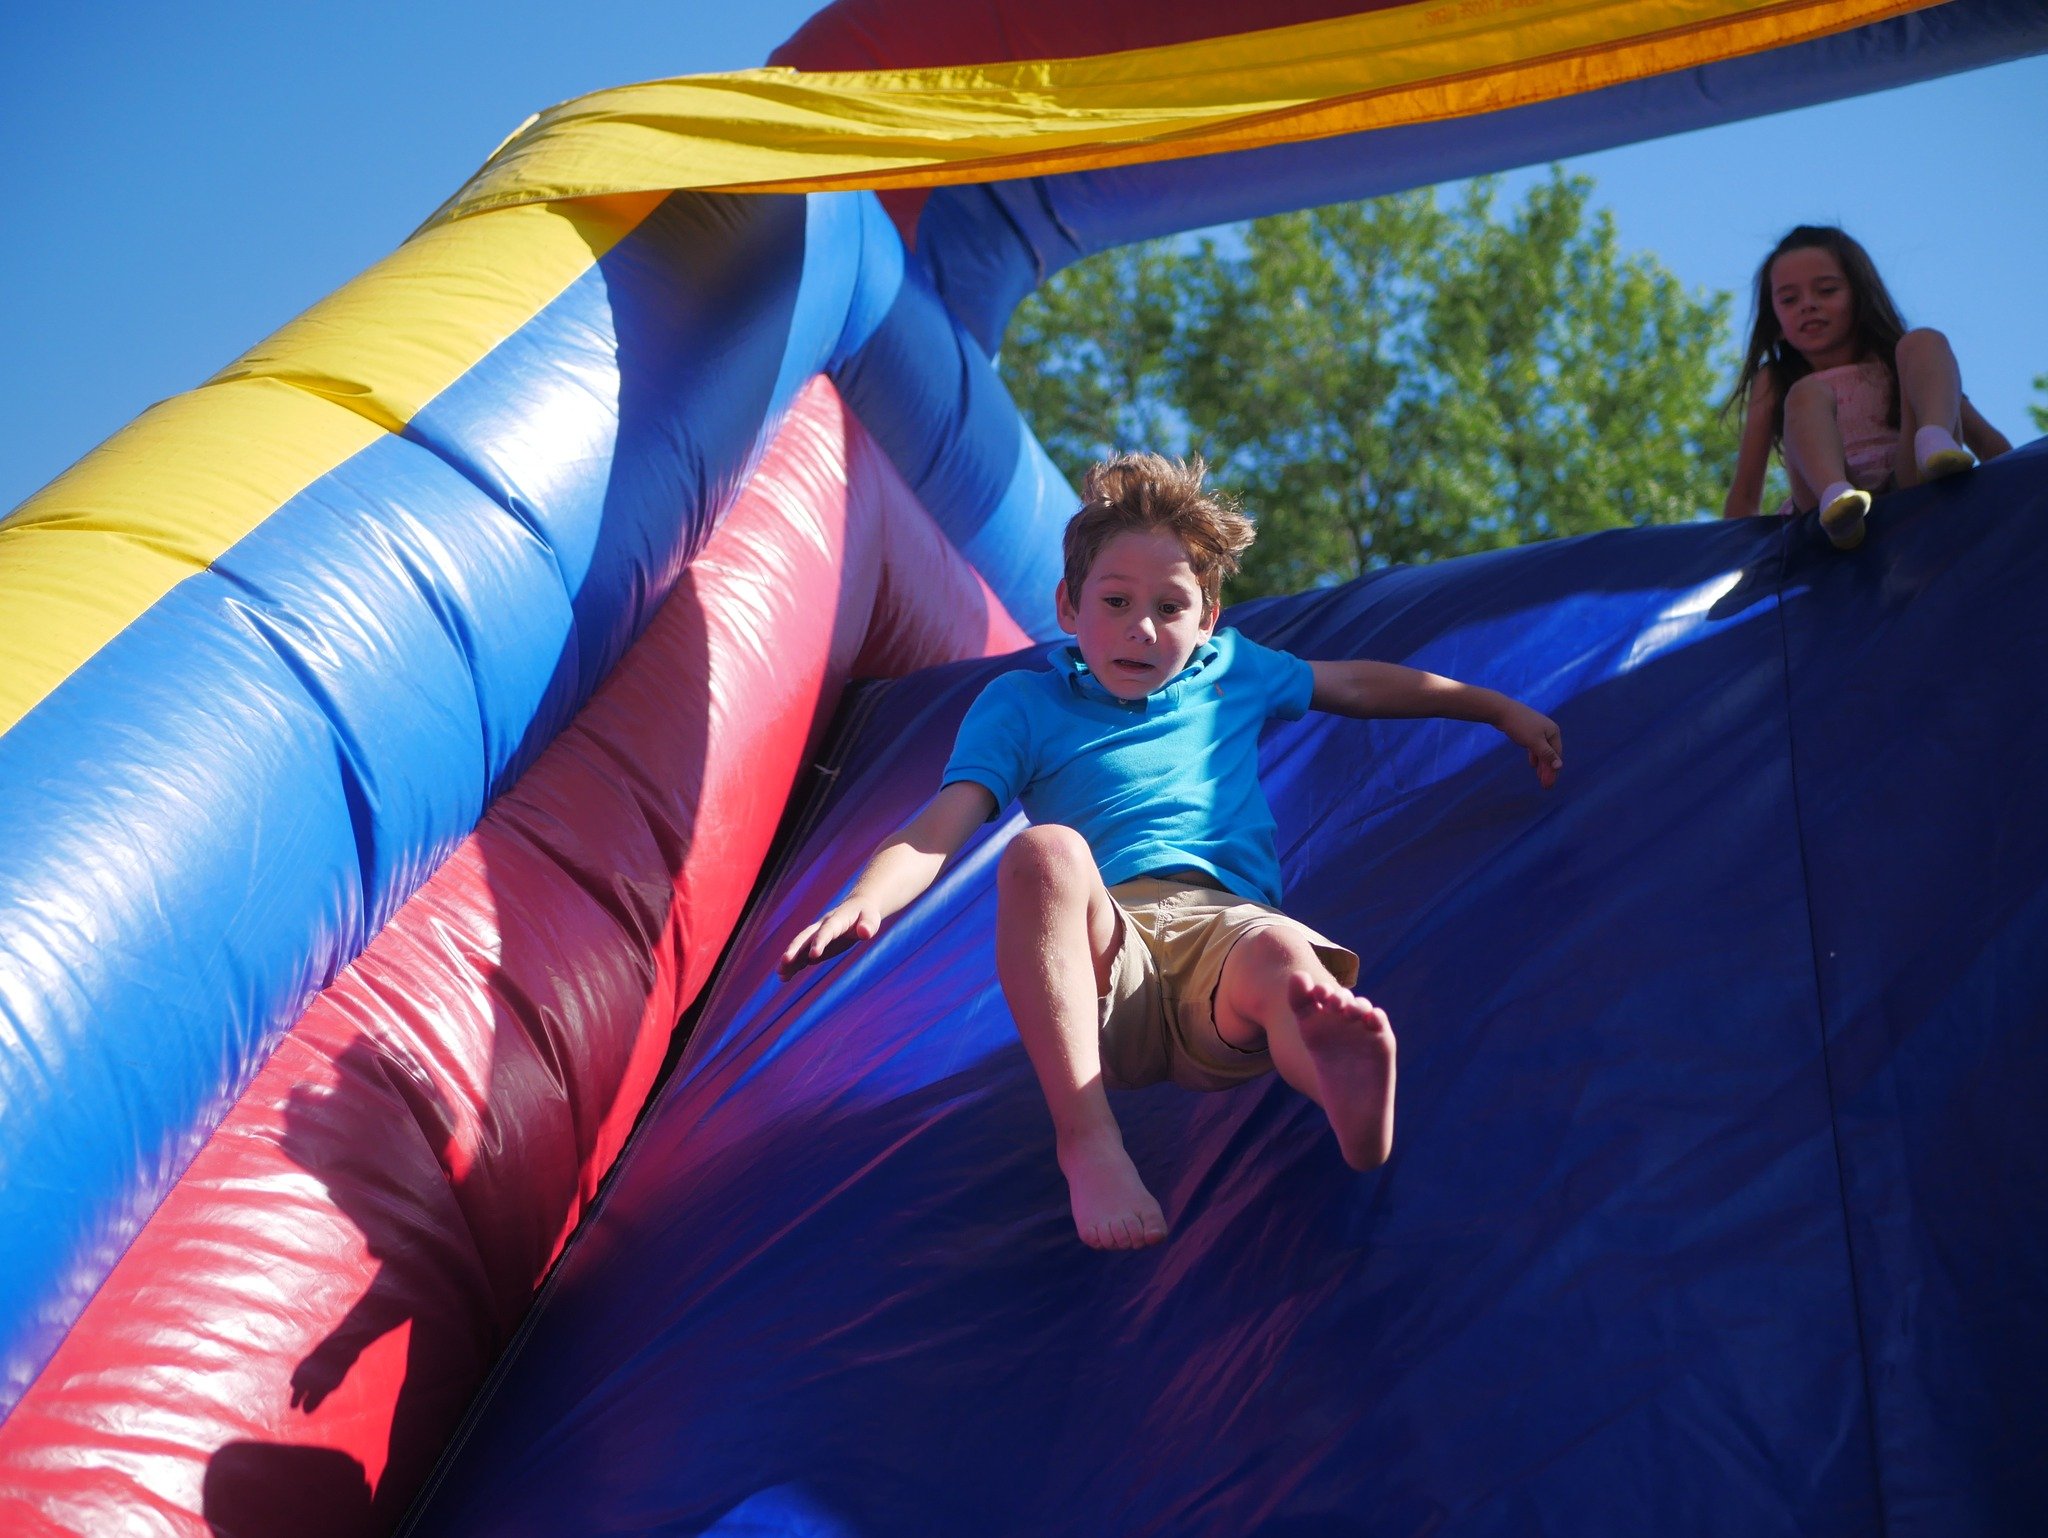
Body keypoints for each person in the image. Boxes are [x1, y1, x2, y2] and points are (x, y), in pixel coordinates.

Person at [778, 454, 1563, 1251]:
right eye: (1115, 602)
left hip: (1225, 942)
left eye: (1169, 607)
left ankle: (1338, 1083)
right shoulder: (1024, 704)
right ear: (1068, 605)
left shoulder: (1233, 672)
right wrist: (865, 899)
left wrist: (1494, 709)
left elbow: (1356, 685)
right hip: (1107, 957)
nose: (1141, 627)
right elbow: (938, 824)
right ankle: (1088, 1137)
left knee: (1287, 963)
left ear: (1209, 618)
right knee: (1045, 851)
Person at [1723, 225, 2010, 550]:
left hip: (1910, 483)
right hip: (1821, 507)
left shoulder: (1898, 361)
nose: (1808, 305)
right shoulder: (1775, 379)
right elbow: (1746, 491)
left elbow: (1987, 441)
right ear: (1776, 324)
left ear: (1861, 298)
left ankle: (1933, 441)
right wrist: (1728, 561)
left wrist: (2028, 492)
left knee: (1925, 341)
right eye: (1790, 299)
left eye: (1826, 290)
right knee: (1806, 393)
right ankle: (1836, 496)